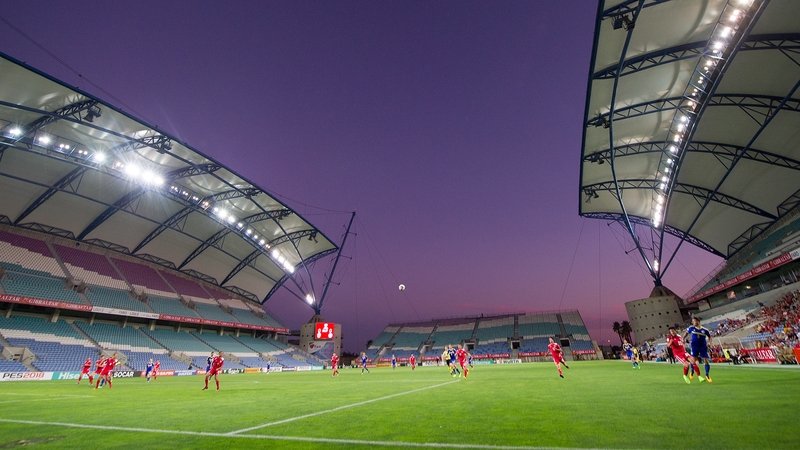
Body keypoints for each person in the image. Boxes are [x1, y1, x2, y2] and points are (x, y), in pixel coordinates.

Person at [683, 317, 712, 382]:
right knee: (693, 360)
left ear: (698, 321)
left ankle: (707, 375)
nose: (693, 322)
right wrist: (683, 338)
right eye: (692, 321)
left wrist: (709, 342)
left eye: (694, 321)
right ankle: (692, 372)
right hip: (694, 346)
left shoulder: (705, 330)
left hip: (703, 346)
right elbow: (686, 333)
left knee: (706, 360)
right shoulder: (691, 328)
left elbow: (710, 336)